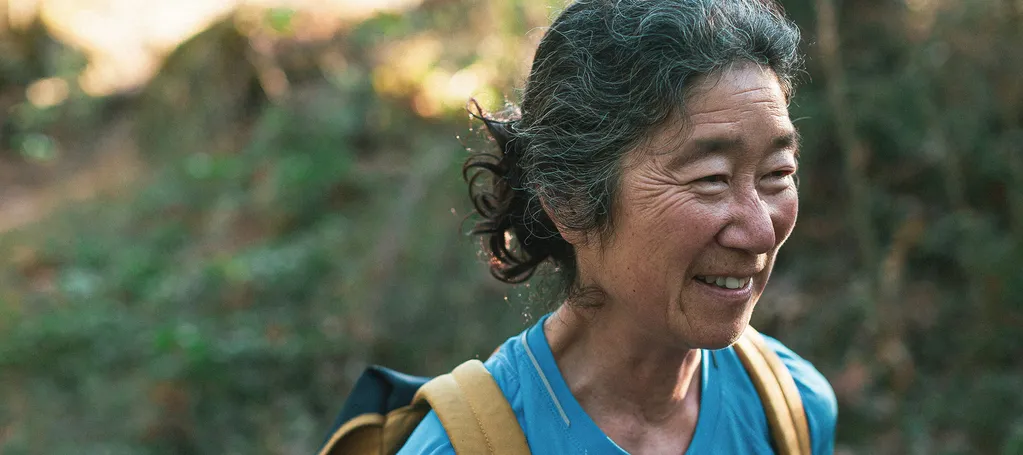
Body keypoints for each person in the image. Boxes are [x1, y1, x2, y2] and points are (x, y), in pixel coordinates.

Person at [399, 0, 837, 453]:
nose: (763, 233)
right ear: (568, 201)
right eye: (711, 179)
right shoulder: (465, 445)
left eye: (777, 174)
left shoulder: (792, 410)